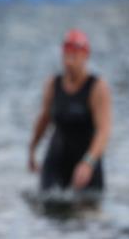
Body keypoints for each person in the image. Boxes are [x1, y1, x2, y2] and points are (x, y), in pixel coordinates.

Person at [29, 29, 112, 193]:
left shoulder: (97, 87)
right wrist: (32, 148)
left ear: (85, 56)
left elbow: (104, 131)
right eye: (66, 56)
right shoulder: (53, 84)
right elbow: (44, 119)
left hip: (86, 159)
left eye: (74, 56)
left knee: (88, 212)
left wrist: (89, 162)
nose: (69, 62)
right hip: (57, 157)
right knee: (48, 206)